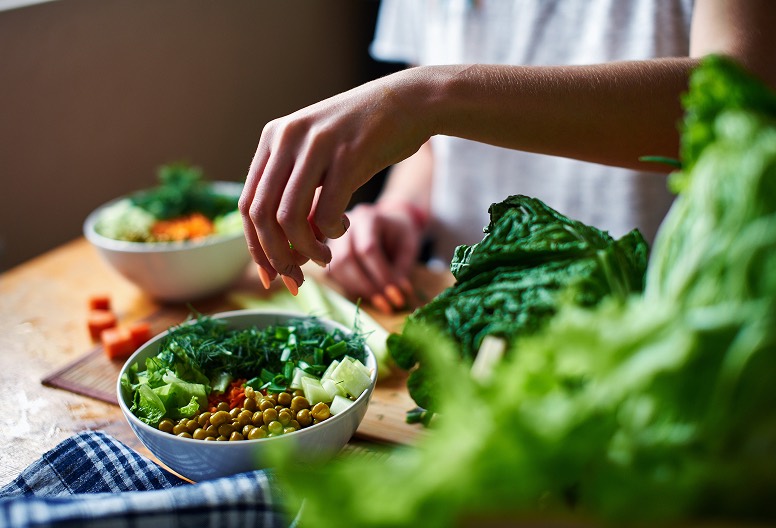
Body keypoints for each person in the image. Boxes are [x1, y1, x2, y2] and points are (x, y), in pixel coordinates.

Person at [238, 0, 776, 304]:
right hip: (462, 309)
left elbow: (743, 97)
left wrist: (429, 95)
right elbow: (429, 149)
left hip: (658, 316)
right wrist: (404, 210)